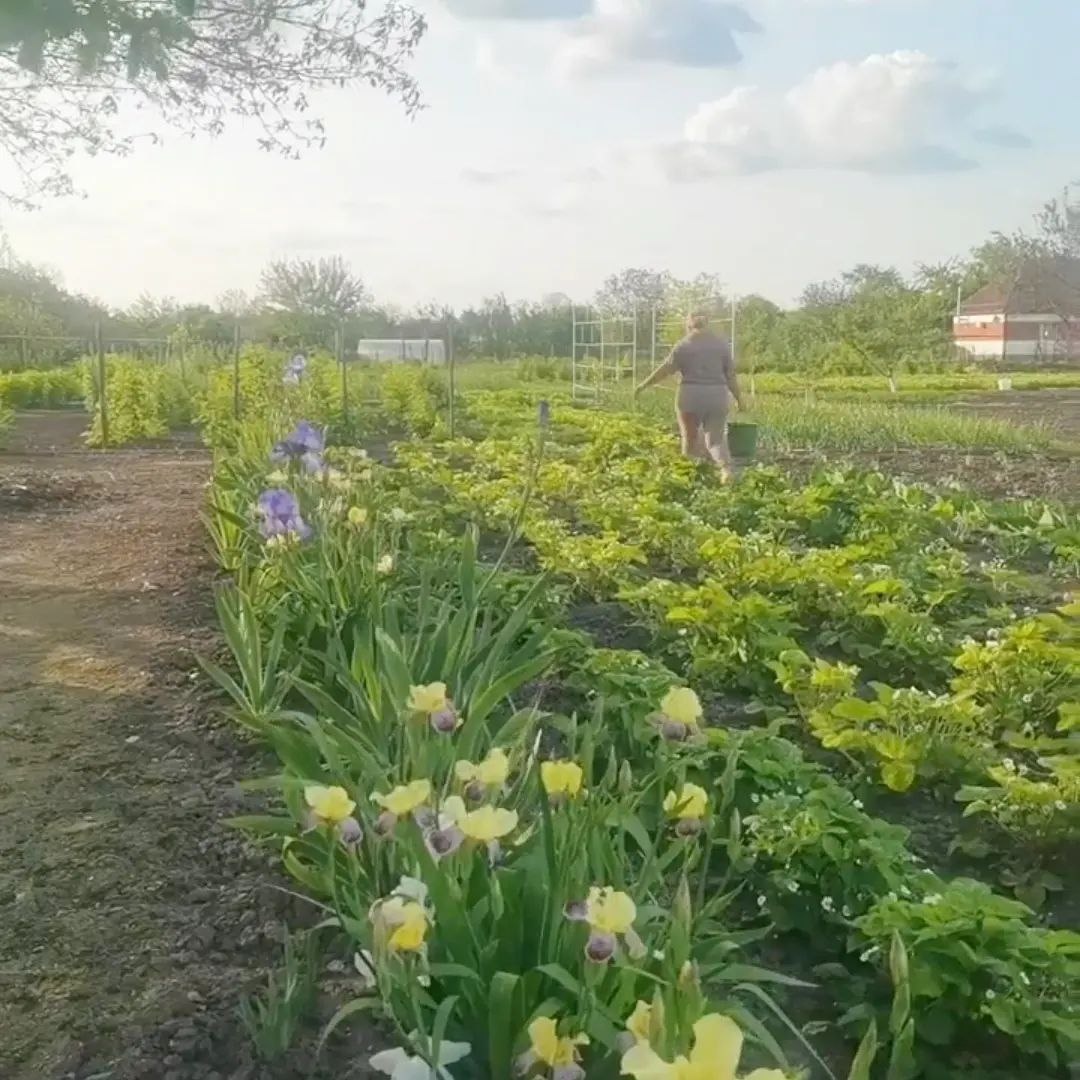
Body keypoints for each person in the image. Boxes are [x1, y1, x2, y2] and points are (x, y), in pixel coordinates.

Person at [634, 313, 744, 479]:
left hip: (690, 395)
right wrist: (739, 399)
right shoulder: (721, 345)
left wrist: (643, 385)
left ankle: (687, 477)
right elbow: (730, 376)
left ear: (688, 325)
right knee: (716, 440)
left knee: (689, 438)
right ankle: (725, 470)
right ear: (707, 324)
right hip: (717, 395)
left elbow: (665, 370)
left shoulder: (684, 345)